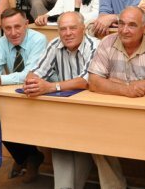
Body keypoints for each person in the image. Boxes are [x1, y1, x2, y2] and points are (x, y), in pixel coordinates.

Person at [88, 6, 145, 189]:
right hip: (113, 113)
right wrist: (127, 89)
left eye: (132, 25)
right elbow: (94, 82)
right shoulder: (108, 42)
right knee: (96, 140)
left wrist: (112, 83)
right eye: (121, 24)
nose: (124, 30)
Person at [24, 12, 100, 189]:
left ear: (83, 29)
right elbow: (36, 72)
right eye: (63, 29)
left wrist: (51, 87)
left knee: (80, 143)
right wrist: (32, 82)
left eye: (73, 28)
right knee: (60, 141)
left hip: (91, 111)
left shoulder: (95, 46)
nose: (68, 33)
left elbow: (86, 81)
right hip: (64, 111)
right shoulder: (55, 44)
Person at [0, 8, 47, 183]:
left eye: (17, 27)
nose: (12, 33)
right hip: (17, 92)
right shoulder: (3, 41)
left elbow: (30, 74)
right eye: (7, 28)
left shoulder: (39, 40)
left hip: (41, 95)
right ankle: (28, 158)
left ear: (26, 24)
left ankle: (27, 158)